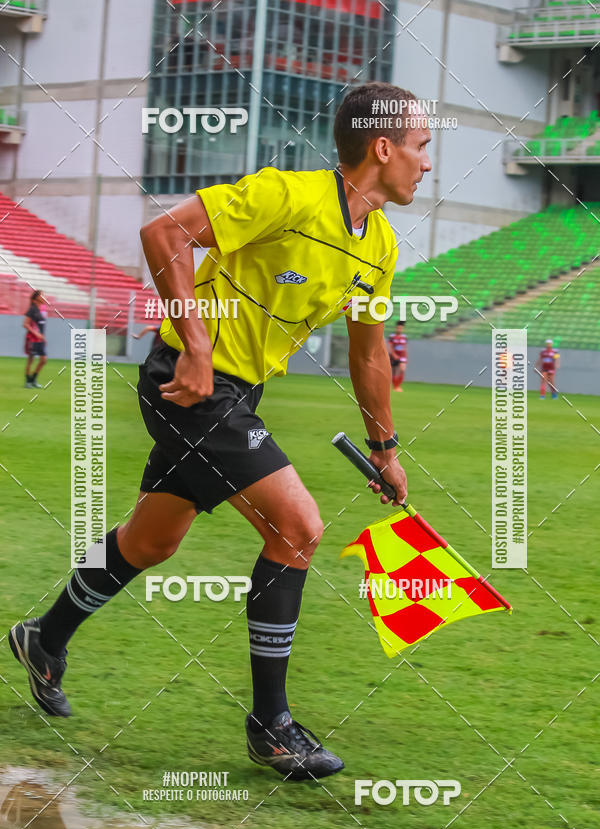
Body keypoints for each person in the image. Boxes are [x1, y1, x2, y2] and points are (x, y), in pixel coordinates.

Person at [9, 83, 432, 781]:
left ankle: (43, 638)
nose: (425, 162)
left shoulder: (379, 244)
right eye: (420, 147)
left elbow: (366, 354)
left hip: (236, 396)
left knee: (151, 540)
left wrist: (385, 450)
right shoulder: (286, 195)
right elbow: (163, 232)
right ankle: (272, 727)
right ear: (382, 148)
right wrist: (199, 346)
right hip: (187, 382)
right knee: (297, 527)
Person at [23, 290, 48, 388]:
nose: (44, 297)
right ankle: (27, 381)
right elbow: (25, 324)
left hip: (40, 339)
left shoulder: (41, 310)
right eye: (42, 295)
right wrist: (36, 334)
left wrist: (42, 337)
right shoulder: (32, 309)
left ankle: (33, 379)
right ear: (36, 298)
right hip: (32, 339)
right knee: (31, 360)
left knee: (43, 360)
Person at [388, 320, 407, 392]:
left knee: (402, 370)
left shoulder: (404, 337)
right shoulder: (392, 336)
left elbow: (405, 347)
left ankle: (397, 386)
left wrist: (405, 357)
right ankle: (395, 386)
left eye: (401, 328)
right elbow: (390, 347)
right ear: (396, 328)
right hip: (394, 356)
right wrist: (394, 355)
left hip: (402, 357)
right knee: (394, 371)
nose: (399, 329)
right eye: (398, 328)